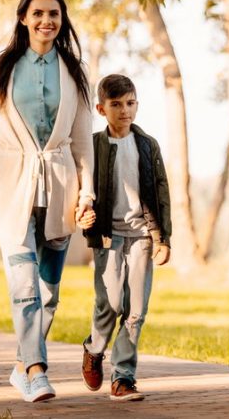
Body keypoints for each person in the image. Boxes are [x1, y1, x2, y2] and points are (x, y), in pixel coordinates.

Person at [0, 0, 96, 403]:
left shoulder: (75, 71)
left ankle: (23, 362)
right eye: (38, 13)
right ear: (23, 17)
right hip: (11, 185)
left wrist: (87, 193)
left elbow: (82, 141)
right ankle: (37, 370)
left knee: (48, 291)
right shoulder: (1, 67)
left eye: (54, 14)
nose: (46, 21)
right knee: (23, 282)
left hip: (60, 187)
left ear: (62, 20)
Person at [79, 74, 172, 401]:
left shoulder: (147, 145)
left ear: (137, 104)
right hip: (107, 237)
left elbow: (161, 192)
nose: (124, 111)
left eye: (130, 103)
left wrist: (163, 239)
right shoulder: (92, 146)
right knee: (111, 303)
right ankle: (94, 348)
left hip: (142, 238)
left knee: (135, 310)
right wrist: (83, 215)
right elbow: (81, 191)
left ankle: (123, 378)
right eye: (116, 105)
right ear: (101, 109)